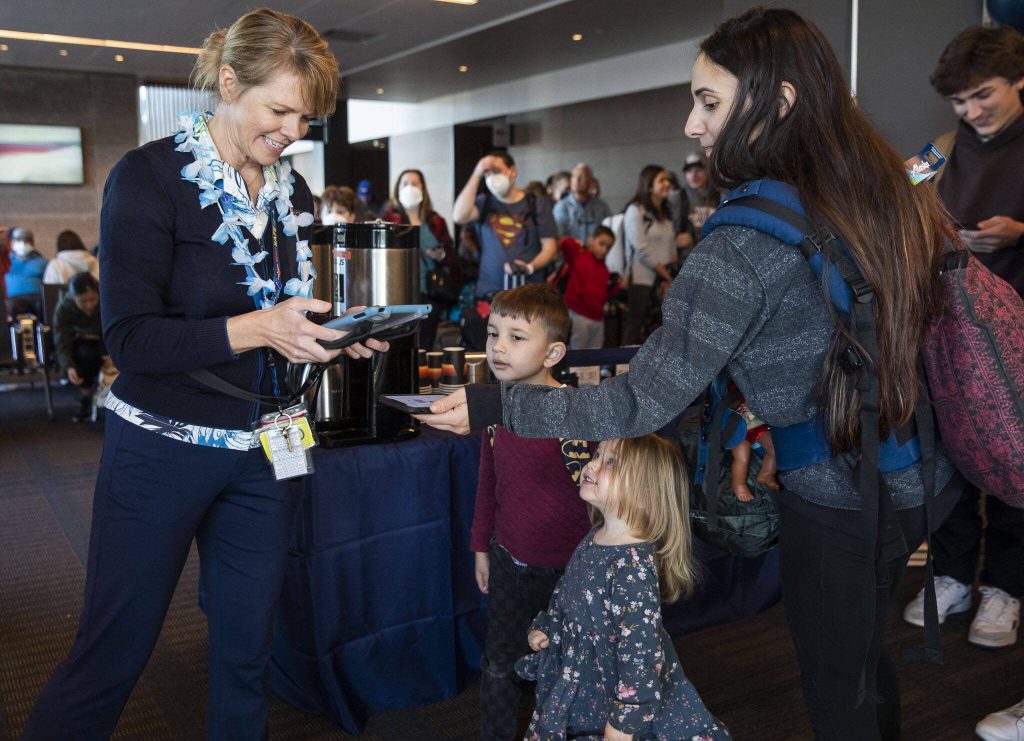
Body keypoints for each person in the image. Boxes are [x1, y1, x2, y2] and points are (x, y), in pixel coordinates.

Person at [422, 8, 965, 739]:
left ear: (777, 104)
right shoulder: (873, 192)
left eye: (709, 101)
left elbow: (639, 401)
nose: (690, 123)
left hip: (839, 492)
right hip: (917, 470)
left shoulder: (742, 238)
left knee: (841, 688)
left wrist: (499, 406)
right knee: (865, 668)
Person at [21, 9, 388, 739]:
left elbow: (280, 311)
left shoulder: (292, 194)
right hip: (160, 449)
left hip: (262, 452)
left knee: (246, 652)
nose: (293, 131)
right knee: (115, 650)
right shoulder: (148, 178)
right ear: (228, 83)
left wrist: (327, 337)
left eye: (306, 117)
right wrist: (262, 327)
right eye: (279, 109)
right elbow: (130, 337)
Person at [902, 23, 1024, 652]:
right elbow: (897, 193)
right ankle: (950, 575)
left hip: (1019, 335)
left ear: (1018, 80)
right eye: (960, 101)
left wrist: (1019, 232)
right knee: (946, 457)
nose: (973, 111)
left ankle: (1005, 587)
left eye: (985, 94)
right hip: (951, 333)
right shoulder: (942, 149)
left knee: (1014, 461)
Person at [516, 434, 730, 740]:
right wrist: (549, 626)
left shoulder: (632, 570)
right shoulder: (595, 537)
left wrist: (622, 725)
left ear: (644, 491)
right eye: (598, 454)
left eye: (610, 462)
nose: (591, 464)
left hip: (612, 696)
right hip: (584, 680)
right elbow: (569, 591)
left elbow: (640, 658)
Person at [470, 283, 592, 741]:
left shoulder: (578, 414)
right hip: (507, 562)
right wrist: (481, 545)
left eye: (517, 337)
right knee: (500, 663)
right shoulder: (496, 411)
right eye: (493, 333)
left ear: (553, 352)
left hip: (569, 571)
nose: (499, 347)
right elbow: (489, 484)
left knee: (565, 668)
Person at [453, 150, 558, 349]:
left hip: (527, 296)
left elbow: (550, 247)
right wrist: (477, 172)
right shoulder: (485, 203)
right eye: (488, 173)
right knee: (489, 350)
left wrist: (529, 267)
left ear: (512, 171)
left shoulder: (536, 204)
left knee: (526, 351)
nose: (493, 177)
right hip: (489, 295)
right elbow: (459, 216)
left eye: (497, 170)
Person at [381, 168, 456, 350]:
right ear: (397, 189)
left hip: (428, 292)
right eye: (405, 184)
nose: (410, 188)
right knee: (398, 343)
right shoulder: (389, 218)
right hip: (396, 291)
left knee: (425, 344)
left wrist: (442, 255)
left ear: (423, 189)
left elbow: (451, 255)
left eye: (415, 184)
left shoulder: (435, 221)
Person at [620, 165, 677, 345]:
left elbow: (670, 246)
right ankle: (624, 368)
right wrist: (667, 275)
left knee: (661, 331)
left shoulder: (666, 213)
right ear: (649, 185)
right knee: (635, 328)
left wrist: (671, 277)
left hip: (664, 281)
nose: (667, 183)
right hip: (642, 280)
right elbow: (641, 248)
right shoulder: (635, 210)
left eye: (668, 179)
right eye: (661, 180)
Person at [52, 271, 106, 423]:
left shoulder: (107, 297)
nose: (89, 305)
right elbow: (62, 339)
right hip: (81, 344)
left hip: (106, 339)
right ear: (72, 297)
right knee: (85, 355)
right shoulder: (64, 307)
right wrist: (68, 366)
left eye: (92, 299)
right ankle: (86, 398)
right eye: (83, 301)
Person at [558, 225, 621, 349]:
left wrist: (617, 287)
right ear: (591, 240)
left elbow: (603, 294)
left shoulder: (604, 269)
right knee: (578, 352)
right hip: (578, 314)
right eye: (601, 244)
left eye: (608, 247)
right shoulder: (579, 256)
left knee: (595, 354)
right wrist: (580, 244)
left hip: (597, 317)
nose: (604, 250)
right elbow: (565, 242)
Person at [552, 162, 612, 242]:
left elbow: (609, 233)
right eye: (574, 176)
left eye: (582, 177)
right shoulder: (562, 206)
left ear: (590, 181)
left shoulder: (601, 206)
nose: (577, 180)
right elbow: (558, 236)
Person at [4, 227, 47, 316]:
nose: (23, 243)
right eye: (19, 240)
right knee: (11, 306)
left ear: (32, 243)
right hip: (13, 299)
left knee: (44, 306)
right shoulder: (6, 261)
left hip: (37, 299)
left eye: (27, 240)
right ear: (12, 242)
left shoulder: (42, 262)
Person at [682, 151, 723, 242]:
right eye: (689, 171)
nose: (693, 176)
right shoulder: (680, 198)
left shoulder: (720, 195)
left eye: (698, 170)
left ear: (708, 171)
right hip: (690, 254)